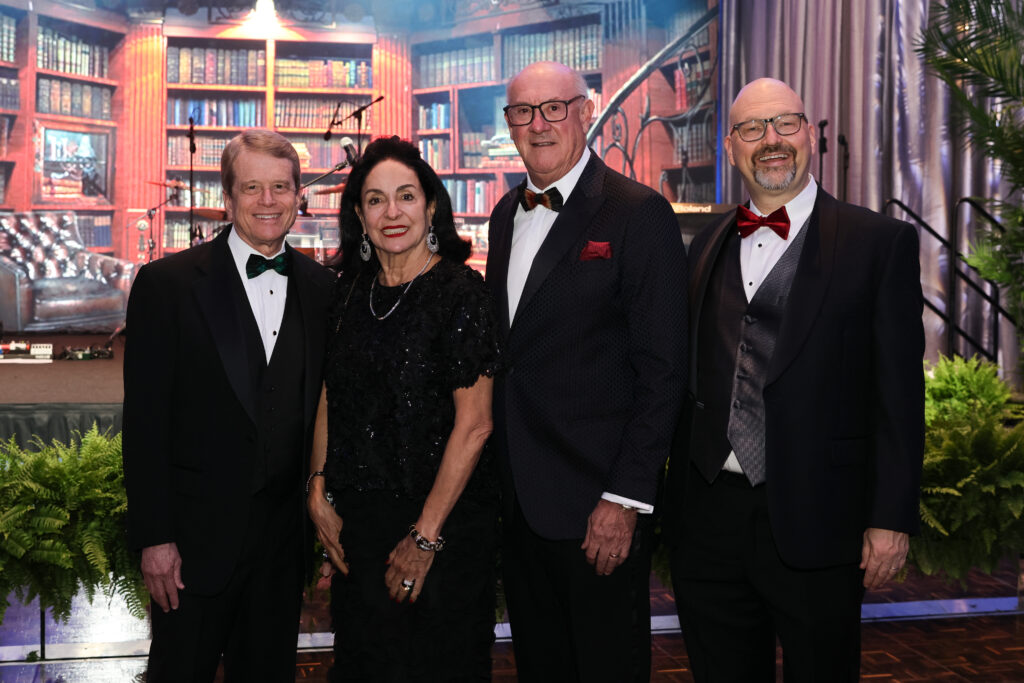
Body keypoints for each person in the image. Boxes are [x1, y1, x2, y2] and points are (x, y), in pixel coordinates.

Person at [663, 77, 925, 682]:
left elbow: (898, 396)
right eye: (752, 129)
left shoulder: (877, 243)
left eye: (785, 123)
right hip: (708, 522)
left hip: (821, 520)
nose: (770, 141)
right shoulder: (702, 245)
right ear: (731, 147)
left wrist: (890, 518)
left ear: (811, 134)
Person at [485, 61, 688, 682]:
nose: (538, 124)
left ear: (586, 109)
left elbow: (663, 371)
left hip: (597, 507)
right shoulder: (503, 216)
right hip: (518, 504)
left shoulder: (638, 213)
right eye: (523, 111)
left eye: (554, 108)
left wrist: (625, 498)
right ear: (510, 125)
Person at [122, 129, 334, 681]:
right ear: (228, 196)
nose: (269, 201)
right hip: (190, 550)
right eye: (252, 188)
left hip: (282, 551)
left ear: (299, 196)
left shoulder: (323, 289)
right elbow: (145, 424)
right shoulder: (166, 285)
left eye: (281, 188)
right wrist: (155, 538)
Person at [307, 136, 502, 682]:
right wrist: (317, 485)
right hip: (360, 532)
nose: (392, 212)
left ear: (431, 206)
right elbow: (331, 393)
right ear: (359, 215)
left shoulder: (461, 292)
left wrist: (424, 538)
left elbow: (476, 425)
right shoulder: (348, 293)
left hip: (442, 529)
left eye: (406, 196)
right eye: (375, 199)